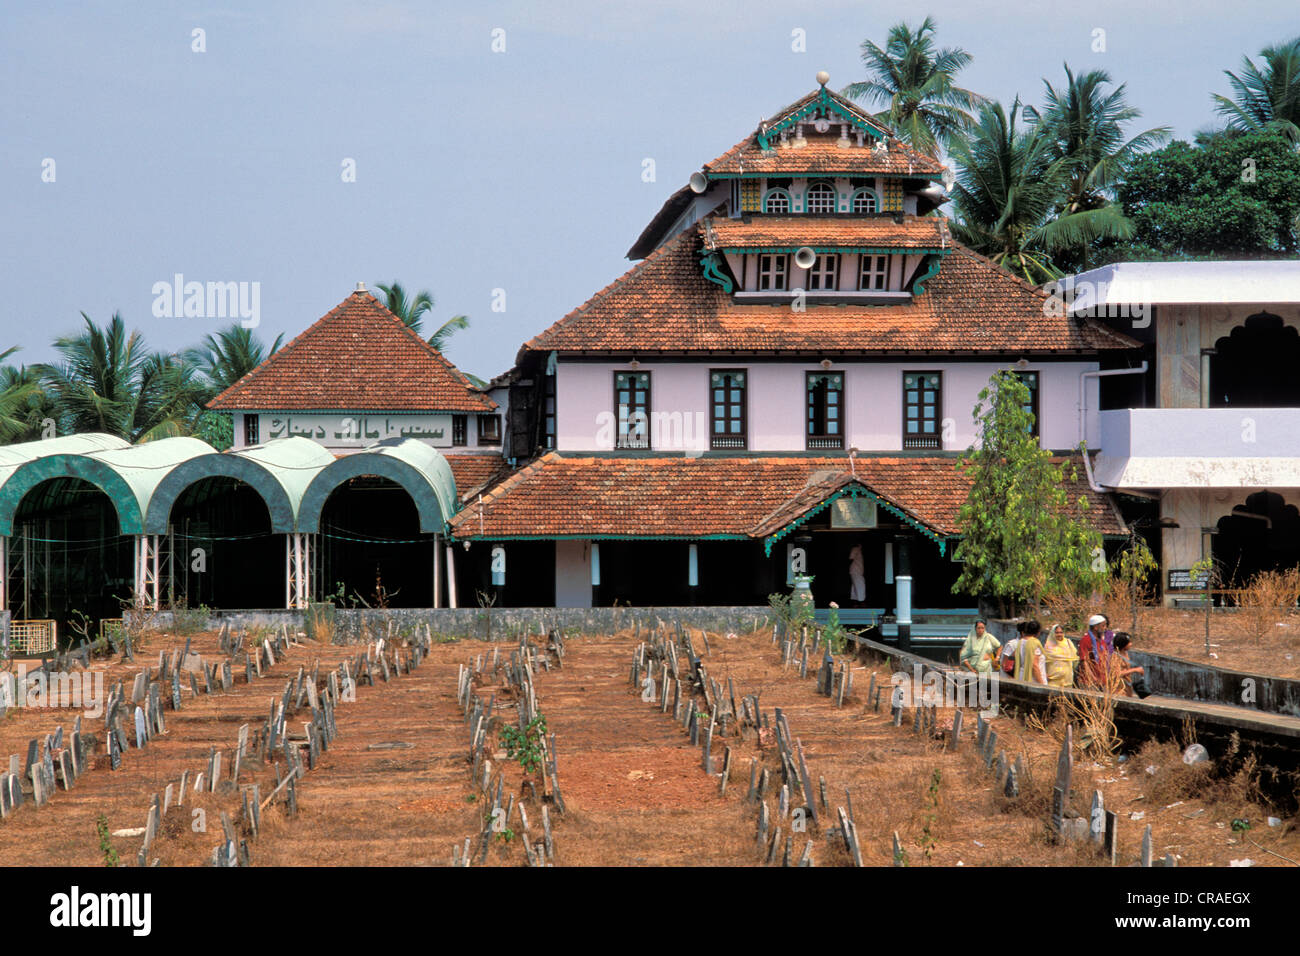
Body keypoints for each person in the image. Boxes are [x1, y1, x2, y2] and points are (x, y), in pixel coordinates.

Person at [1078, 614, 1114, 688]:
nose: (1105, 628)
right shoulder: (1086, 640)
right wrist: (1093, 679)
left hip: (1102, 681)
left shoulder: (1102, 641)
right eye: (1103, 626)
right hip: (1089, 682)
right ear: (1096, 627)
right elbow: (1084, 662)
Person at [1110, 632, 1149, 698]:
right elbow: (1117, 673)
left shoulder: (1125, 653)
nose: (1131, 644)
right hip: (1119, 688)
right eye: (1129, 643)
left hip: (1127, 686)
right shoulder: (1115, 657)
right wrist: (1135, 670)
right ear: (1123, 644)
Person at [1043, 624, 1079, 688]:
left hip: (1067, 680)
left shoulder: (1068, 643)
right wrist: (1044, 674)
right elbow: (1043, 661)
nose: (1059, 634)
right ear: (1052, 633)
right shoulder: (1048, 646)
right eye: (1057, 632)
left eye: (1061, 632)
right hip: (1053, 680)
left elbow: (1075, 658)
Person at [1013, 619, 1047, 684]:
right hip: (1033, 680)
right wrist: (1042, 684)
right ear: (1038, 632)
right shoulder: (1034, 643)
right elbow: (1034, 666)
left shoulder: (1020, 642)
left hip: (1021, 676)